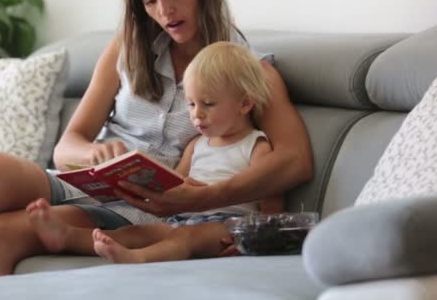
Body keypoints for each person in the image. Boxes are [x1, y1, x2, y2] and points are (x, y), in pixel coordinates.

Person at [0, 0, 313, 280]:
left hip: (146, 211)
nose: (164, 11)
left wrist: (203, 198)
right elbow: (69, 146)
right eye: (148, 1)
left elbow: (295, 161)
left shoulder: (249, 71)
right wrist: (96, 155)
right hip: (92, 183)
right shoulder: (126, 50)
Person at [26, 42, 284, 262]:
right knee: (139, 232)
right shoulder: (197, 144)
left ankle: (139, 258)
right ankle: (66, 236)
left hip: (228, 225)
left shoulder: (256, 145)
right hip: (182, 220)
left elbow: (272, 202)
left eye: (208, 104)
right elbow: (176, 186)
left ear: (245, 103)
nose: (196, 114)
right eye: (191, 104)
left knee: (186, 237)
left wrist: (255, 241)